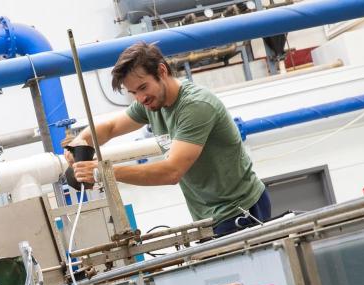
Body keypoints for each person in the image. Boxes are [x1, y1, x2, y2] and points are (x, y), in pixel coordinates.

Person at [67, 42, 270, 236]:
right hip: (207, 217)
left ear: (162, 71)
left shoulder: (195, 106)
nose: (140, 98)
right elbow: (110, 128)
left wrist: (103, 172)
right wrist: (82, 142)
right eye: (133, 93)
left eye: (143, 87)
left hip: (240, 210)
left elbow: (172, 172)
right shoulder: (150, 103)